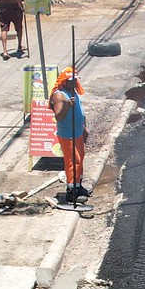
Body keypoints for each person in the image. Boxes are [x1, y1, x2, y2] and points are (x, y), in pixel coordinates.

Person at [50, 68, 89, 203]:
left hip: (77, 131)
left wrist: (84, 128)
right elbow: (59, 116)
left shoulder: (73, 92)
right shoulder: (60, 95)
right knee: (73, 161)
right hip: (68, 134)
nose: (74, 83)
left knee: (80, 158)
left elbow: (80, 111)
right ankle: (71, 192)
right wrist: (67, 106)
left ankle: (78, 186)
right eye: (71, 81)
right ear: (64, 81)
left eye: (75, 80)